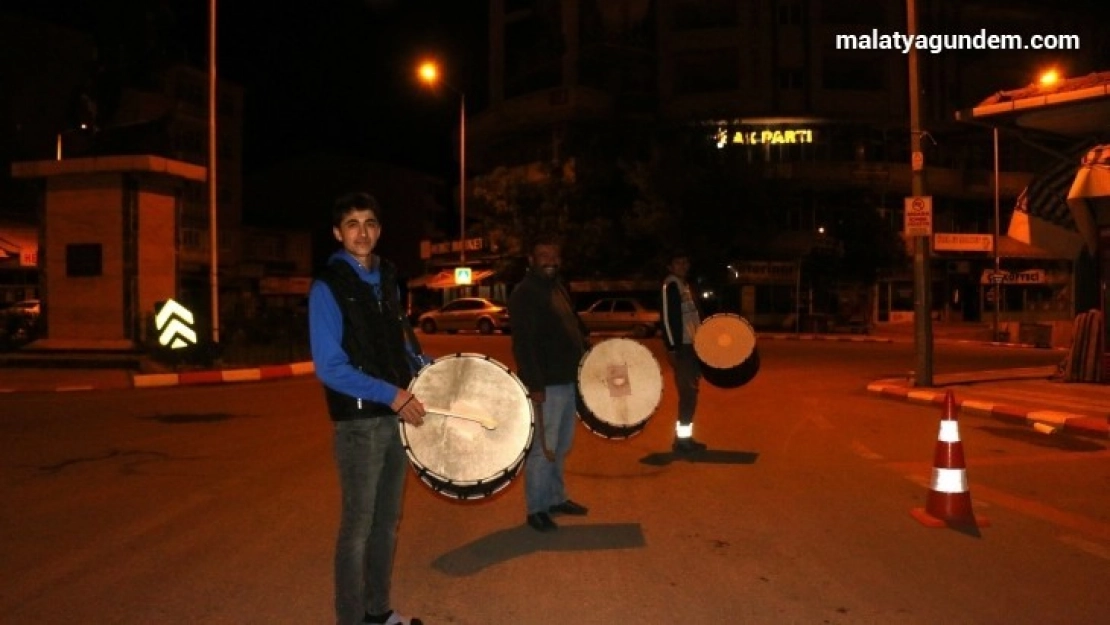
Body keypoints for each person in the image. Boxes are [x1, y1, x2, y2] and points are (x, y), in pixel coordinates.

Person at [308, 191, 427, 625]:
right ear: (338, 233)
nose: (363, 232)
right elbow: (330, 366)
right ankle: (350, 618)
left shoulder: (388, 279)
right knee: (358, 528)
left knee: (387, 522)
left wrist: (427, 370)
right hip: (359, 421)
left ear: (380, 230)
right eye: (353, 224)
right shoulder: (328, 286)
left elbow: (398, 344)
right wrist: (392, 393)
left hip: (396, 417)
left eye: (371, 223)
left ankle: (378, 611)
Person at [509, 237, 590, 532]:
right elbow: (524, 344)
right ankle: (536, 509)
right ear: (531, 259)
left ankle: (556, 498)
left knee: (562, 445)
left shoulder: (557, 288)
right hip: (547, 384)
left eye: (554, 255)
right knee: (544, 448)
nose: (550, 260)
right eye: (543, 255)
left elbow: (574, 328)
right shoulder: (525, 293)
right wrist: (535, 384)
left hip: (568, 379)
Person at [661, 249, 708, 454]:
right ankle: (682, 442)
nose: (683, 266)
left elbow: (695, 317)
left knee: (691, 392)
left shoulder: (686, 286)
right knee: (688, 394)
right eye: (678, 263)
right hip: (683, 348)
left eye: (685, 262)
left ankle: (685, 439)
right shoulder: (670, 285)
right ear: (670, 267)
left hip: (694, 346)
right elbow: (667, 319)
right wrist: (672, 348)